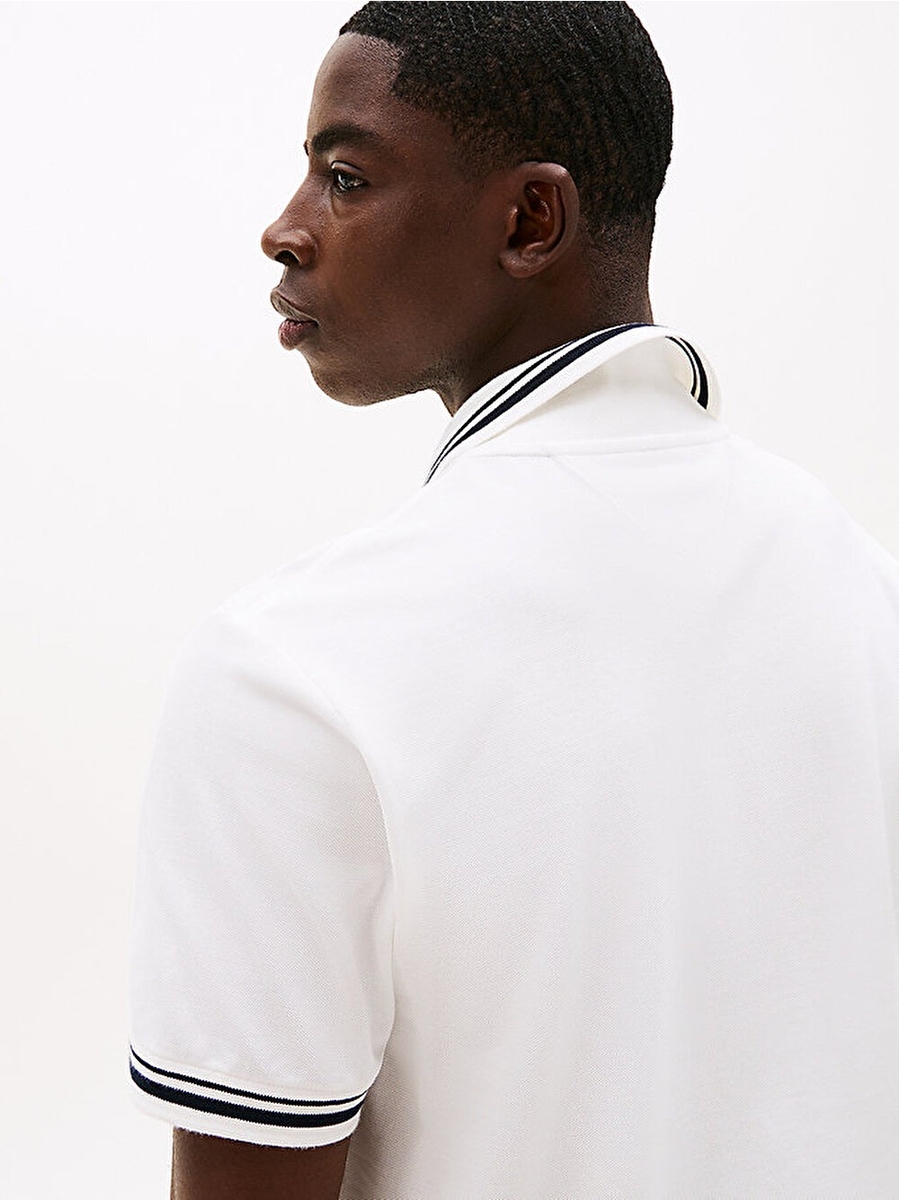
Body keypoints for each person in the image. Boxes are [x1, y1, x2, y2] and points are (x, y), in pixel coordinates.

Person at [129, 3, 899, 1198]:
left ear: (529, 220)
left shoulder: (293, 667)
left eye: (345, 177)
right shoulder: (856, 583)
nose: (284, 228)